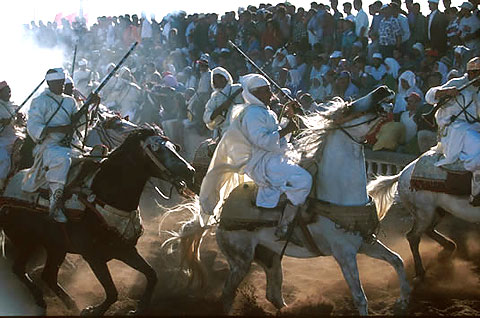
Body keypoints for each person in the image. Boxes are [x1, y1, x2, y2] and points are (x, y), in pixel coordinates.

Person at [199, 74, 312, 239]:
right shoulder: (252, 113)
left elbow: (277, 139)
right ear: (255, 93)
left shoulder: (265, 112)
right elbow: (262, 141)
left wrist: (288, 119)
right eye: (266, 91)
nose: (270, 94)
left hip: (273, 156)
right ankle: (286, 224)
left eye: (269, 90)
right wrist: (286, 130)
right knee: (304, 180)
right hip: (262, 162)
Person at [22, 68, 96, 222]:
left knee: (97, 154)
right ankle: (55, 205)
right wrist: (58, 129)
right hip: (49, 146)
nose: (62, 86)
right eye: (58, 83)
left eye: (63, 82)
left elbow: (81, 125)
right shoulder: (40, 101)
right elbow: (33, 127)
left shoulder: (69, 101)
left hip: (72, 144)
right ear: (50, 83)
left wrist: (90, 106)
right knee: (63, 159)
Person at [425, 57, 480, 206]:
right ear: (469, 72)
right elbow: (430, 96)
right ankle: (476, 193)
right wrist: (445, 92)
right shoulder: (458, 83)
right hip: (456, 131)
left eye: (479, 73)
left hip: (475, 128)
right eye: (474, 73)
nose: (476, 77)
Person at [203, 67, 244, 138]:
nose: (213, 81)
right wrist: (222, 107)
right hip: (224, 132)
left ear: (224, 78)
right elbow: (207, 117)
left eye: (216, 78)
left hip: (241, 128)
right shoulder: (214, 97)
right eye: (213, 79)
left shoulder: (238, 88)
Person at [0, 81, 22, 190]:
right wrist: (1, 122)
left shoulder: (13, 106)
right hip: (2, 139)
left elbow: (19, 123)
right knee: (4, 158)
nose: (9, 94)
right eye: (6, 92)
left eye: (10, 92)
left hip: (15, 137)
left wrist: (20, 118)